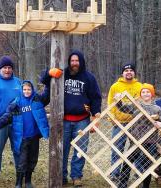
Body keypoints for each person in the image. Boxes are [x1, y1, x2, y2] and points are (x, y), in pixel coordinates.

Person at [44, 50, 102, 187]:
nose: (74, 63)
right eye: (72, 61)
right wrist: (49, 73)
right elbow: (45, 81)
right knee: (62, 149)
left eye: (77, 61)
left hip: (82, 120)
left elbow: (95, 97)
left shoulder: (89, 77)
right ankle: (61, 176)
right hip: (63, 119)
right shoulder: (62, 74)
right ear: (69, 62)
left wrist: (96, 116)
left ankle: (76, 176)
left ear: (81, 62)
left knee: (80, 150)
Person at [0, 80, 51, 188]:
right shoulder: (16, 104)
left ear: (33, 90)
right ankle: (18, 183)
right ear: (21, 90)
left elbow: (48, 93)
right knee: (22, 161)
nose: (27, 91)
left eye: (29, 89)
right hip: (22, 138)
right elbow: (6, 117)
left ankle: (28, 181)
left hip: (34, 137)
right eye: (24, 89)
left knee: (32, 159)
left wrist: (48, 79)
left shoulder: (37, 100)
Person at [114, 83, 161, 188]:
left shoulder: (157, 108)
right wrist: (118, 101)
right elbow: (123, 108)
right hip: (135, 140)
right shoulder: (135, 105)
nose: (145, 94)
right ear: (140, 94)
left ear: (152, 94)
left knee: (147, 165)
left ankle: (145, 186)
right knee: (127, 162)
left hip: (150, 141)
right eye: (143, 92)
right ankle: (122, 184)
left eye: (148, 92)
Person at [107, 63, 142, 180]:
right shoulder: (115, 86)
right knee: (117, 149)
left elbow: (143, 103)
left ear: (134, 73)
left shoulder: (139, 86)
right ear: (122, 73)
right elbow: (110, 103)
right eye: (126, 70)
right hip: (119, 123)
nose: (129, 72)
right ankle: (115, 173)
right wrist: (112, 118)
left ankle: (139, 173)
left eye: (131, 70)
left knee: (137, 148)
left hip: (136, 123)